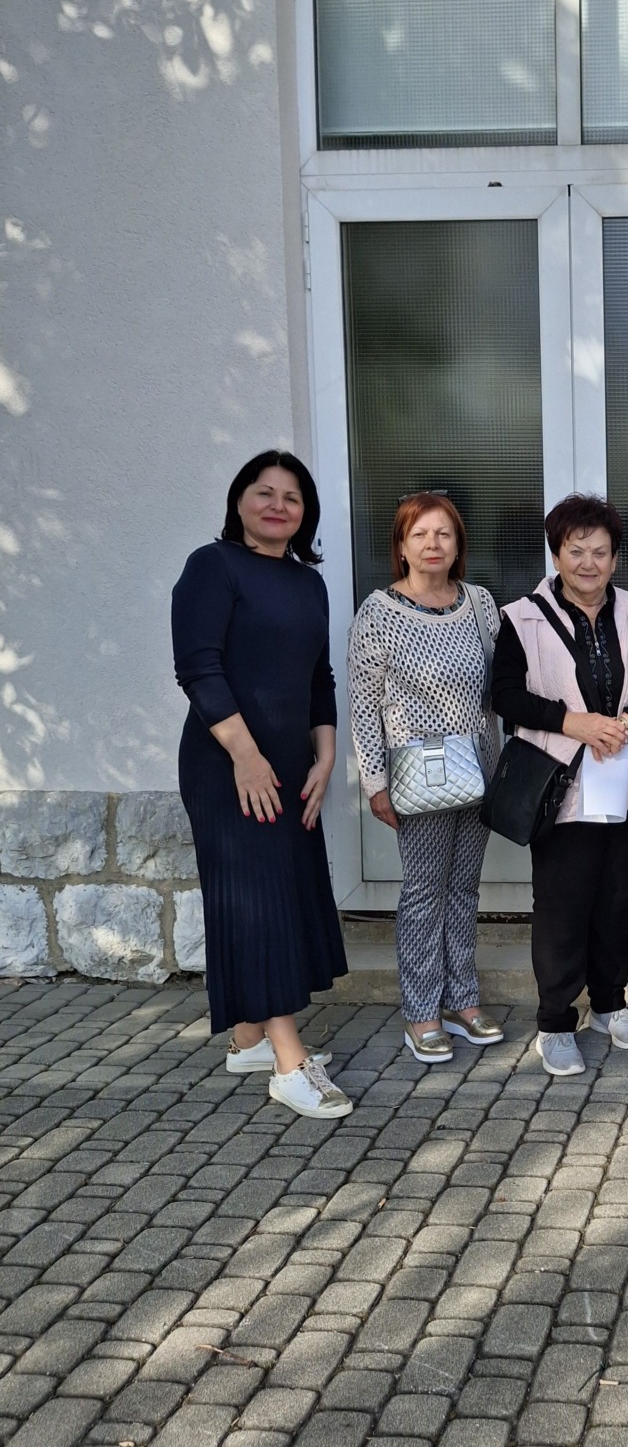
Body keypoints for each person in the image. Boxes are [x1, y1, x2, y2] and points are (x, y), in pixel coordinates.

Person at [172, 450, 352, 1119]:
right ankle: (287, 1061)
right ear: (239, 500)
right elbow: (199, 669)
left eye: (292, 497)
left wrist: (326, 756)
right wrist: (246, 757)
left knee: (284, 892)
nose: (278, 505)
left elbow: (319, 680)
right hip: (227, 767)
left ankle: (248, 1038)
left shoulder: (309, 584)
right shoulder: (211, 567)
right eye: (264, 492)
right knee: (257, 901)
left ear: (305, 514)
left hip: (289, 766)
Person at [492, 495, 628, 1077]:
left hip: (627, 774)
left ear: (615, 557)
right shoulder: (521, 616)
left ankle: (607, 1003)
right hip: (562, 777)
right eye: (576, 551)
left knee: (618, 894)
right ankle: (554, 1020)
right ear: (556, 553)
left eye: (600, 551)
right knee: (562, 901)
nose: (589, 563)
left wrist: (627, 722)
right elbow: (505, 694)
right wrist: (572, 721)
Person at [348, 492, 503, 1065]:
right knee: (422, 894)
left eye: (444, 534)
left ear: (458, 543)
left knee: (464, 889)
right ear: (402, 546)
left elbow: (502, 685)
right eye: (420, 535)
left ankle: (463, 1000)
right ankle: (421, 1013)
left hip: (479, 770)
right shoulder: (379, 612)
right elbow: (363, 705)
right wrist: (374, 782)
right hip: (419, 778)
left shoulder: (481, 603)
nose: (433, 544)